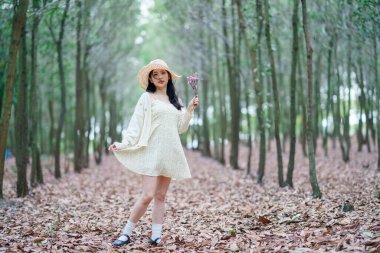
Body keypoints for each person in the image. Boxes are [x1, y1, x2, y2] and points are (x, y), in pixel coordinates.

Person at [108, 59, 199, 247]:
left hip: (169, 152)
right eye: (155, 74)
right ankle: (126, 233)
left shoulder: (176, 101)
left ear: (168, 76)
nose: (159, 77)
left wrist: (189, 110)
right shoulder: (146, 98)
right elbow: (136, 124)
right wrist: (124, 143)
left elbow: (180, 128)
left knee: (160, 196)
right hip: (150, 152)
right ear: (150, 78)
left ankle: (156, 235)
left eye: (162, 73)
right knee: (147, 195)